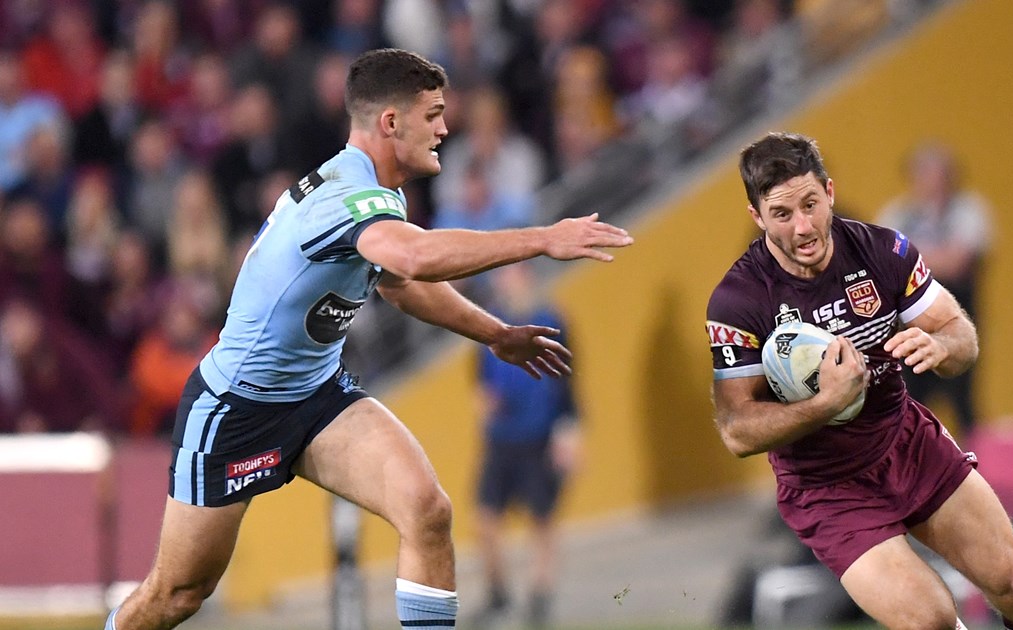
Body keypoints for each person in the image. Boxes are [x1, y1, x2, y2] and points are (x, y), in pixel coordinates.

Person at [106, 48, 633, 630]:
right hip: (237, 408)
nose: (444, 129)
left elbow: (400, 284)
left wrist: (497, 334)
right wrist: (541, 238)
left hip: (317, 396)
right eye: (432, 115)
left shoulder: (377, 193)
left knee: (426, 510)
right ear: (391, 123)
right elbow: (413, 255)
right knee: (177, 594)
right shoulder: (346, 199)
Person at [706, 132, 1013, 630]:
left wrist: (942, 347)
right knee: (930, 621)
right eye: (783, 215)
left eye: (811, 204)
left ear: (829, 192)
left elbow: (960, 334)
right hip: (828, 489)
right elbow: (737, 431)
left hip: (908, 444)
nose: (804, 227)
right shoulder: (738, 301)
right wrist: (825, 404)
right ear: (758, 217)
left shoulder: (882, 249)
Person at [473, 263, 582, 629]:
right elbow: (481, 383)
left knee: (542, 520)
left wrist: (569, 433)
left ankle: (540, 594)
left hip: (538, 436)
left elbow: (569, 383)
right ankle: (498, 593)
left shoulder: (551, 322)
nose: (506, 282)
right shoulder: (489, 325)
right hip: (502, 439)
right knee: (485, 518)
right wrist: (486, 406)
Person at [875, 142, 992, 436]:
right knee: (909, 400)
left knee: (963, 398)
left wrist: (912, 260)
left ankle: (977, 466)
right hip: (908, 322)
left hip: (957, 314)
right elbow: (881, 264)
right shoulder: (897, 213)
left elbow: (958, 263)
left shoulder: (969, 209)